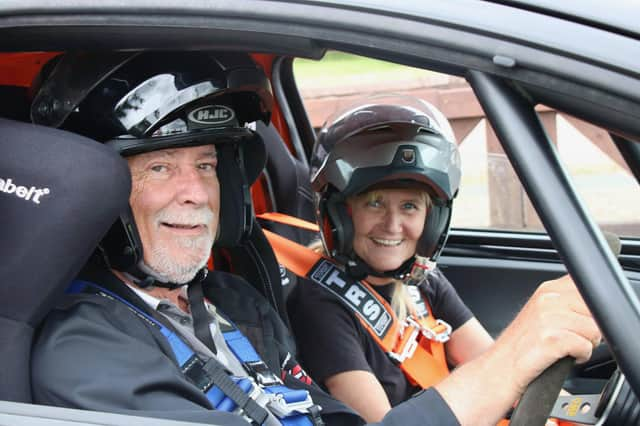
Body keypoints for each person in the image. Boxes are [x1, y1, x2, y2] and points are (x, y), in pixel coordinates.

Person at [29, 51, 600, 426]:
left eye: (206, 166)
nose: (196, 194)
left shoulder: (234, 300)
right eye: (159, 169)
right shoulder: (86, 353)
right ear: (96, 190)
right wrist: (515, 355)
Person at [287, 95, 494, 422]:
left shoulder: (425, 281)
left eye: (410, 206)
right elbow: (383, 422)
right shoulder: (320, 305)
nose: (392, 225)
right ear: (341, 214)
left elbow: (495, 368)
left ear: (432, 220)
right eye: (374, 203)